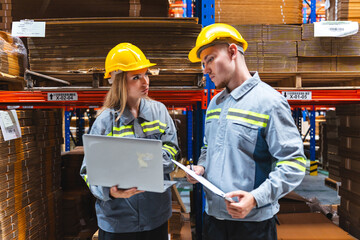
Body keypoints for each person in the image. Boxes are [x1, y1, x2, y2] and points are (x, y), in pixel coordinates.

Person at [186, 23, 306, 240]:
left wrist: (255, 198)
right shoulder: (215, 103)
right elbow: (208, 147)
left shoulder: (269, 102)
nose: (205, 70)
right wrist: (201, 167)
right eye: (203, 63)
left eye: (210, 59)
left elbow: (294, 164)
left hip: (252, 225)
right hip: (214, 219)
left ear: (232, 51)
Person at [80, 42, 180, 240]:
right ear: (119, 83)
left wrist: (145, 160)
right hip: (118, 222)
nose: (145, 82)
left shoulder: (159, 112)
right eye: (136, 77)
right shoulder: (104, 123)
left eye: (146, 74)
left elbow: (173, 151)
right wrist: (110, 191)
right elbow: (88, 171)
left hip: (155, 217)